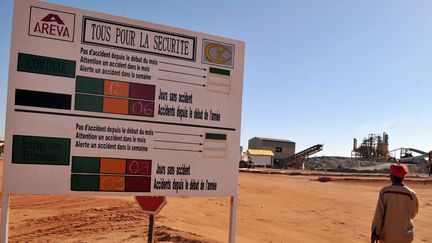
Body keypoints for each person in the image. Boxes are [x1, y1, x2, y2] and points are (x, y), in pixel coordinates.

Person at [371, 163, 419, 243]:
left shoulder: (384, 192)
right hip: (405, 236)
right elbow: (413, 214)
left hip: (386, 236)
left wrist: (375, 233)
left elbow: (379, 215)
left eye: (391, 174)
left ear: (392, 177)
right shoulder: (411, 194)